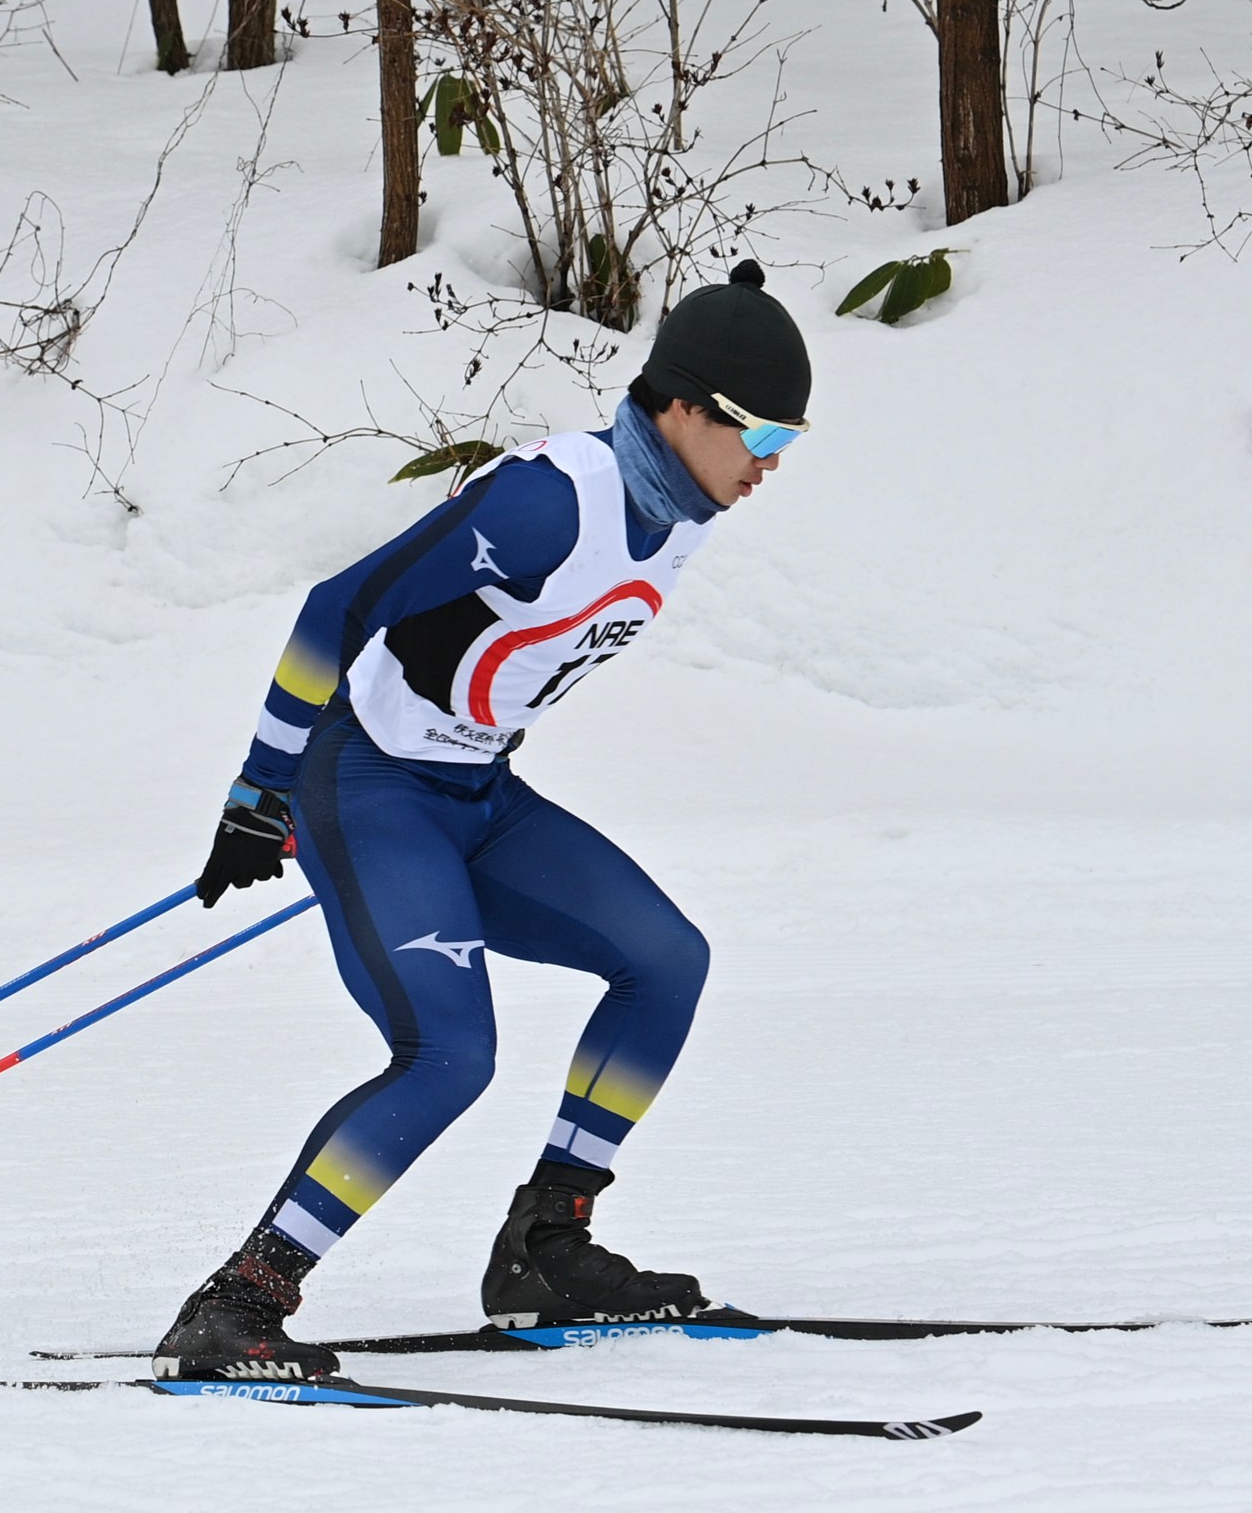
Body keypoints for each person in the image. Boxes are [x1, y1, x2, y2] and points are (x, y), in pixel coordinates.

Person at [153, 259, 813, 1382]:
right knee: (450, 1055)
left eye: (790, 442)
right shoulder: (550, 500)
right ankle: (238, 1303)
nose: (770, 464)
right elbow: (336, 607)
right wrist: (261, 790)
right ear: (682, 408)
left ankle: (547, 1249)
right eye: (760, 434)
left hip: (477, 793)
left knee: (667, 960)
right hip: (368, 784)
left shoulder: (685, 512)